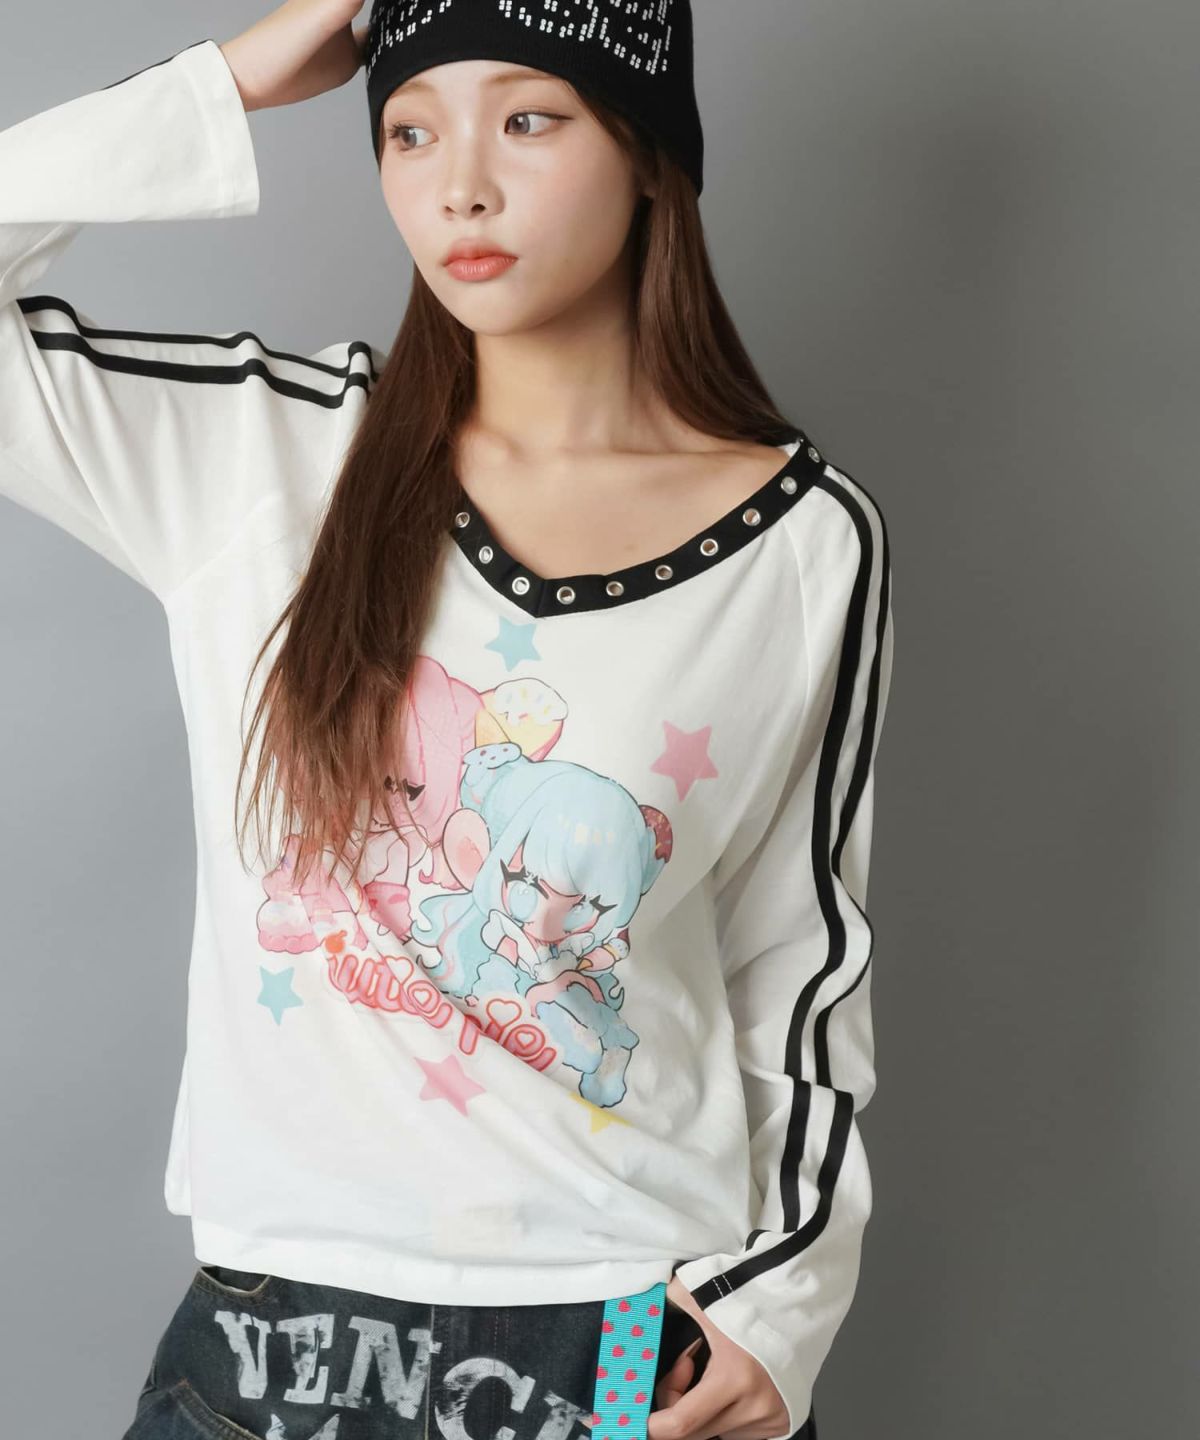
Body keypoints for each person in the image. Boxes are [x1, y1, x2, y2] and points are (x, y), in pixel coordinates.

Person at [0, 2, 896, 1438]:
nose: (460, 185)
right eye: (411, 132)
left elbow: (799, 961)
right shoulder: (264, 456)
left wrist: (777, 1310)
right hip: (273, 1331)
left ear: (647, 152)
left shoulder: (802, 540)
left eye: (528, 119)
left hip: (626, 1329)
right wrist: (228, 81)